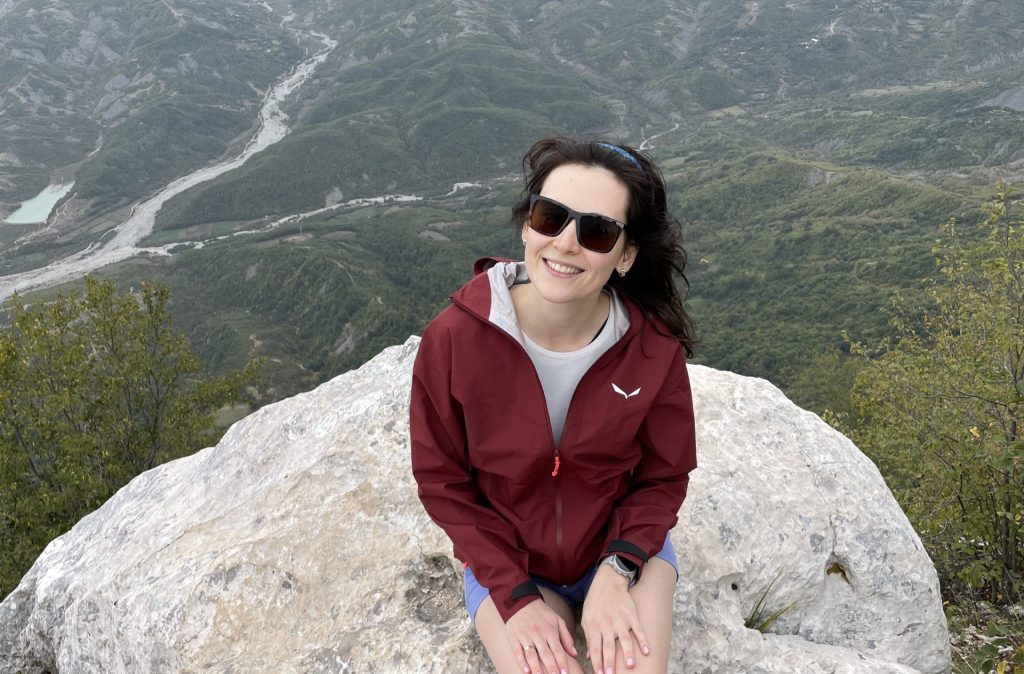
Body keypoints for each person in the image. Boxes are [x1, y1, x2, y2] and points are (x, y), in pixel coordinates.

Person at [410, 136, 697, 674]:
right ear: (527, 225)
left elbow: (663, 477)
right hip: (512, 566)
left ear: (626, 254)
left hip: (621, 548)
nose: (565, 244)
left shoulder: (651, 348)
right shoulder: (454, 339)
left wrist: (618, 570)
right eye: (550, 217)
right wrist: (516, 597)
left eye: (597, 231)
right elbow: (443, 483)